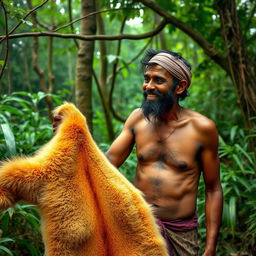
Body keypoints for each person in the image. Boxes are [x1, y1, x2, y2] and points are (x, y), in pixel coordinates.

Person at [53, 49, 223, 256]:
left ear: (180, 86)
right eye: (146, 79)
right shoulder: (138, 119)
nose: (148, 86)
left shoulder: (202, 129)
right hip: (138, 226)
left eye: (158, 80)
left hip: (180, 232)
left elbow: (213, 189)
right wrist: (74, 136)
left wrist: (211, 246)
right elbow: (106, 163)